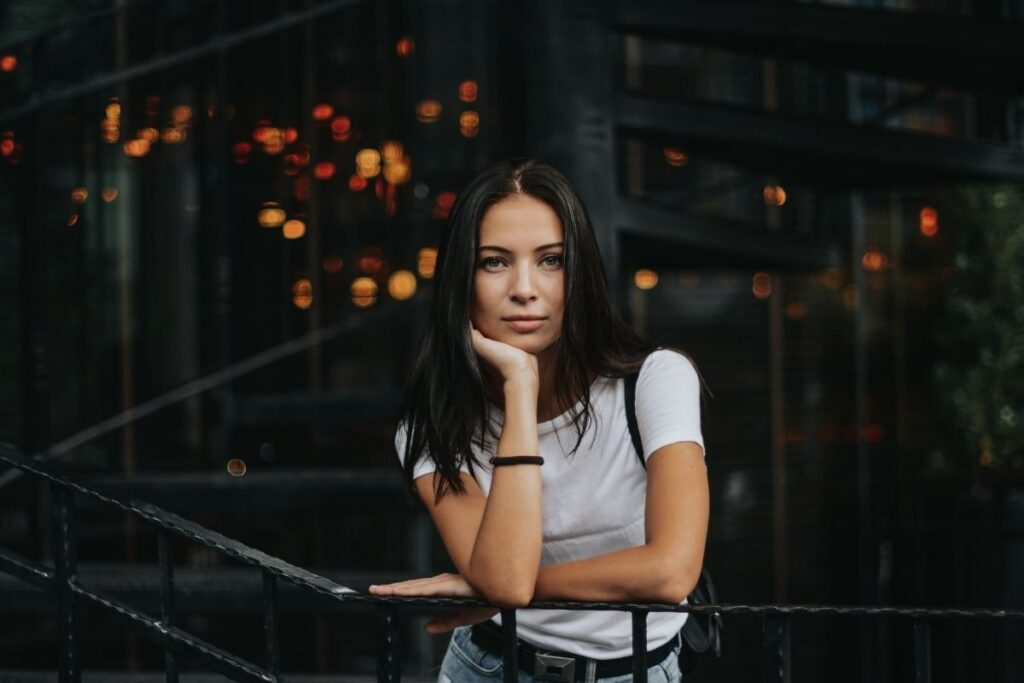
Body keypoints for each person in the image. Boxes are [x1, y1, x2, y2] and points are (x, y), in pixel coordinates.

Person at [369, 159, 709, 683]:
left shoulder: (655, 381)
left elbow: (671, 571)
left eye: (551, 260)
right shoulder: (432, 424)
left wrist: (504, 590)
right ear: (462, 280)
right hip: (488, 667)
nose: (524, 288)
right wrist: (520, 388)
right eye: (494, 262)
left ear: (580, 274)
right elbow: (505, 580)